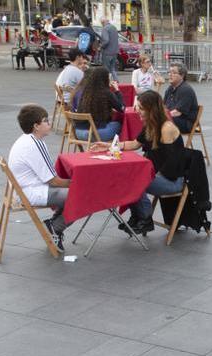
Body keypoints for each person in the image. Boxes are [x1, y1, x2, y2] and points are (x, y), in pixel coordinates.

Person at [92, 90, 185, 234]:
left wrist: (145, 173)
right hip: (158, 174)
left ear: (151, 109)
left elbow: (171, 165)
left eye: (141, 108)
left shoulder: (166, 128)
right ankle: (137, 216)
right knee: (126, 176)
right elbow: (135, 144)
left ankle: (145, 218)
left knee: (133, 179)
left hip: (172, 180)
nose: (137, 111)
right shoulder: (151, 124)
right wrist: (109, 145)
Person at [8, 105, 71, 252]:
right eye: (46, 121)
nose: (49, 123)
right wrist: (77, 182)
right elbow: (53, 180)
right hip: (32, 192)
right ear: (36, 126)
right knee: (83, 195)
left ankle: (54, 225)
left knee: (76, 191)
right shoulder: (34, 143)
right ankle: (55, 227)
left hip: (26, 189)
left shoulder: (27, 140)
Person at [70, 65, 124, 141]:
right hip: (93, 134)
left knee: (110, 124)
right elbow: (121, 108)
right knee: (119, 125)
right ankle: (113, 149)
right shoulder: (106, 92)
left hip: (78, 132)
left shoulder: (85, 92)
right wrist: (117, 91)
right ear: (105, 79)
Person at [163, 62, 199, 133]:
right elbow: (163, 107)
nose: (170, 75)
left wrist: (162, 117)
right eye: (169, 72)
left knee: (159, 123)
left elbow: (178, 112)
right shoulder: (170, 88)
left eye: (173, 73)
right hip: (173, 118)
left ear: (182, 75)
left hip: (185, 122)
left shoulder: (186, 90)